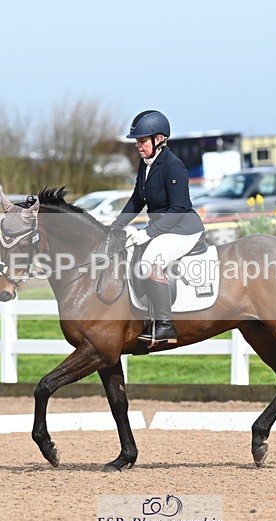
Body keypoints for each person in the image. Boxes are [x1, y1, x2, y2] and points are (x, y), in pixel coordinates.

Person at [110, 110, 205, 345]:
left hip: (184, 229)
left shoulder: (173, 166)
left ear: (159, 139)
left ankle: (165, 325)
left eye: (142, 141)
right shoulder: (146, 165)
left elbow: (179, 208)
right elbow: (136, 200)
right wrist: (114, 227)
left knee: (151, 261)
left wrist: (147, 233)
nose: (138, 146)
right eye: (136, 142)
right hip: (166, 227)